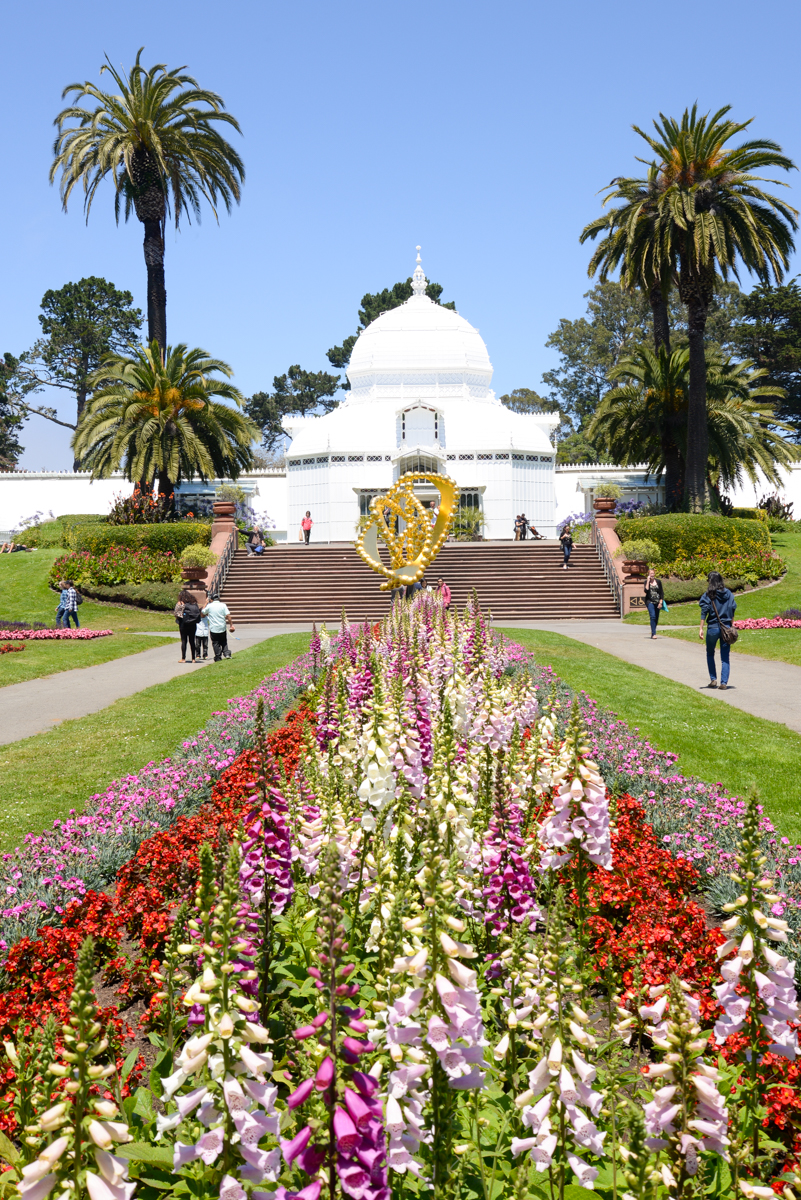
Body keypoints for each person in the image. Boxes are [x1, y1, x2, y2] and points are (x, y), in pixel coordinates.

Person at [699, 571, 737, 690]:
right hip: (726, 628)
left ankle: (713, 679)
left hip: (713, 628)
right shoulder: (729, 594)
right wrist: (731, 625)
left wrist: (701, 628)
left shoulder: (708, 594)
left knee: (710, 653)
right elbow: (732, 608)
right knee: (725, 656)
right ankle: (724, 682)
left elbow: (704, 611)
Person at [203, 592, 236, 661]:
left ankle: (218, 656)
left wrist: (206, 603)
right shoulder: (223, 605)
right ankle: (226, 653)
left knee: (215, 642)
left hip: (214, 628)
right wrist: (231, 625)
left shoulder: (209, 606)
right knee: (223, 641)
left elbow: (202, 613)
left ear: (211, 599)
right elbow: (228, 615)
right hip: (222, 627)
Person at [176, 589, 201, 663]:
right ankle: (193, 658)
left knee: (184, 641)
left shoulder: (181, 603)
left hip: (184, 624)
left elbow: (177, 614)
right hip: (193, 624)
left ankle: (183, 658)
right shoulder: (194, 603)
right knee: (192, 641)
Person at [643, 568, 665, 639]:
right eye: (650, 574)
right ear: (648, 575)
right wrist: (648, 581)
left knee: (656, 618)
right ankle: (653, 633)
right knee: (653, 616)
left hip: (657, 602)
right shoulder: (646, 582)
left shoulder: (658, 581)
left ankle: (653, 630)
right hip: (650, 602)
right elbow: (646, 590)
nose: (652, 575)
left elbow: (661, 593)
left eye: (653, 573)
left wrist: (660, 602)